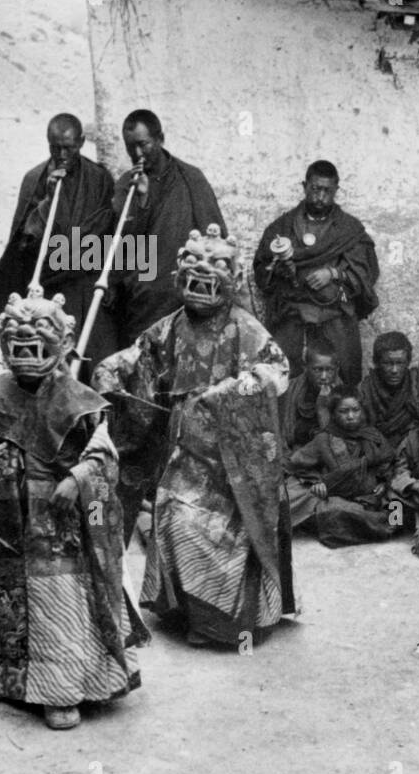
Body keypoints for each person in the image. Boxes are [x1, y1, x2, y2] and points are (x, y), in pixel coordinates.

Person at [93, 225, 295, 646]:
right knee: (171, 513)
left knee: (220, 527)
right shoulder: (170, 328)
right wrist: (112, 370)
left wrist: (231, 392)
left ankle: (221, 624)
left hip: (234, 461)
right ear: (180, 284)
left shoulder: (247, 328)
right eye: (192, 283)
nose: (199, 292)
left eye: (209, 285)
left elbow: (277, 371)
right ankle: (186, 611)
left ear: (228, 285)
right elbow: (138, 357)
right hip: (185, 454)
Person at [0, 290, 147, 730]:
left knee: (56, 605)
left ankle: (63, 691)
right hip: (1, 526)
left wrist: (76, 479)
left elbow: (104, 457)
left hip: (59, 532)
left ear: (60, 345)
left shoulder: (77, 398)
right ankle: (12, 682)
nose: (26, 354)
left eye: (38, 344)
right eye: (16, 346)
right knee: (7, 602)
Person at [0, 113, 118, 371]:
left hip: (87, 285)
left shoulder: (99, 178)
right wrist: (48, 202)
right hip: (50, 289)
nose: (61, 154)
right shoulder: (35, 179)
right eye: (55, 147)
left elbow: (108, 230)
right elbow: (23, 243)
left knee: (95, 365)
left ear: (81, 142)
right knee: (46, 365)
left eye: (68, 148)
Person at [253, 160, 379, 384]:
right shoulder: (282, 227)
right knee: (282, 375)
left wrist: (333, 273)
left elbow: (366, 270)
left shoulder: (349, 229)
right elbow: (262, 272)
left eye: (327, 191)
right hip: (292, 314)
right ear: (304, 186)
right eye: (315, 189)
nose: (320, 197)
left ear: (336, 191)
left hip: (335, 314)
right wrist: (280, 270)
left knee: (344, 374)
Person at [109, 109, 226, 348]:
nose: (137, 154)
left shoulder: (190, 179)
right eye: (130, 147)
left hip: (189, 296)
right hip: (144, 302)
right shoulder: (125, 186)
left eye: (144, 145)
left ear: (160, 139)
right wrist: (141, 200)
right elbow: (122, 249)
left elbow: (216, 236)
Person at [285, 391, 399, 547]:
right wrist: (316, 481)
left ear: (363, 411)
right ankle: (364, 525)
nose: (351, 416)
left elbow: (389, 462)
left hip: (371, 498)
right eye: (343, 412)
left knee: (398, 507)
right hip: (339, 496)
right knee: (332, 511)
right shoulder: (324, 439)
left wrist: (384, 481)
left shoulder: (373, 436)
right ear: (333, 414)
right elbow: (295, 463)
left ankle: (382, 526)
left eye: (356, 410)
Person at [358, 331, 419, 450]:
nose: (394, 370)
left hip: (411, 449)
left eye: (400, 363)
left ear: (408, 362)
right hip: (376, 449)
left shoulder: (417, 385)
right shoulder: (365, 390)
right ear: (376, 362)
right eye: (387, 363)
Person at [279, 339, 342, 451]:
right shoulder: (292, 389)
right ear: (305, 367)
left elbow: (339, 436)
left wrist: (322, 406)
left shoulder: (341, 393)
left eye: (329, 370)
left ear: (337, 369)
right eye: (317, 370)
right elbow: (287, 431)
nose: (324, 376)